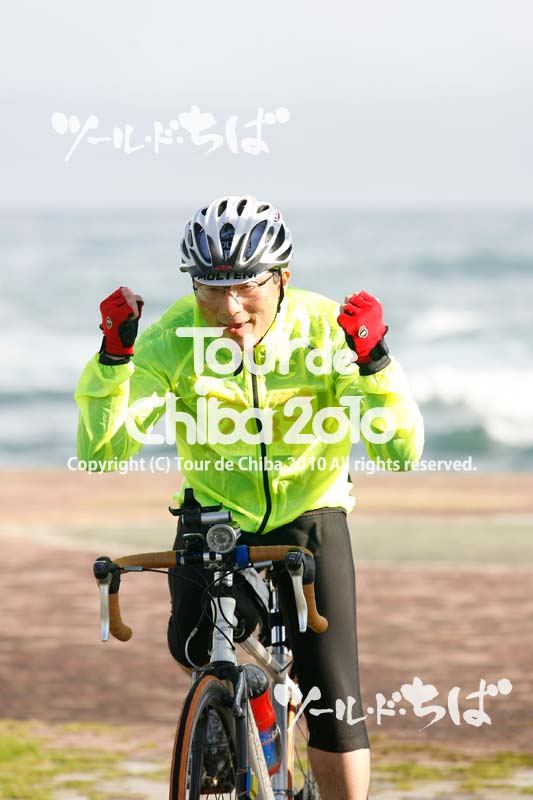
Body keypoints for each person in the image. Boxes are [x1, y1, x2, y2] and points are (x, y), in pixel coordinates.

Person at [75, 195, 424, 800]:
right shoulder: (175, 337)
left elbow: (400, 454)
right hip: (214, 516)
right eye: (211, 289)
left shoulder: (326, 331)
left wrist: (375, 363)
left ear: (282, 277)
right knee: (194, 646)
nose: (229, 308)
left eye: (246, 286)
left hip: (310, 513)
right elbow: (102, 453)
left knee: (333, 700)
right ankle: (243, 712)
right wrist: (114, 359)